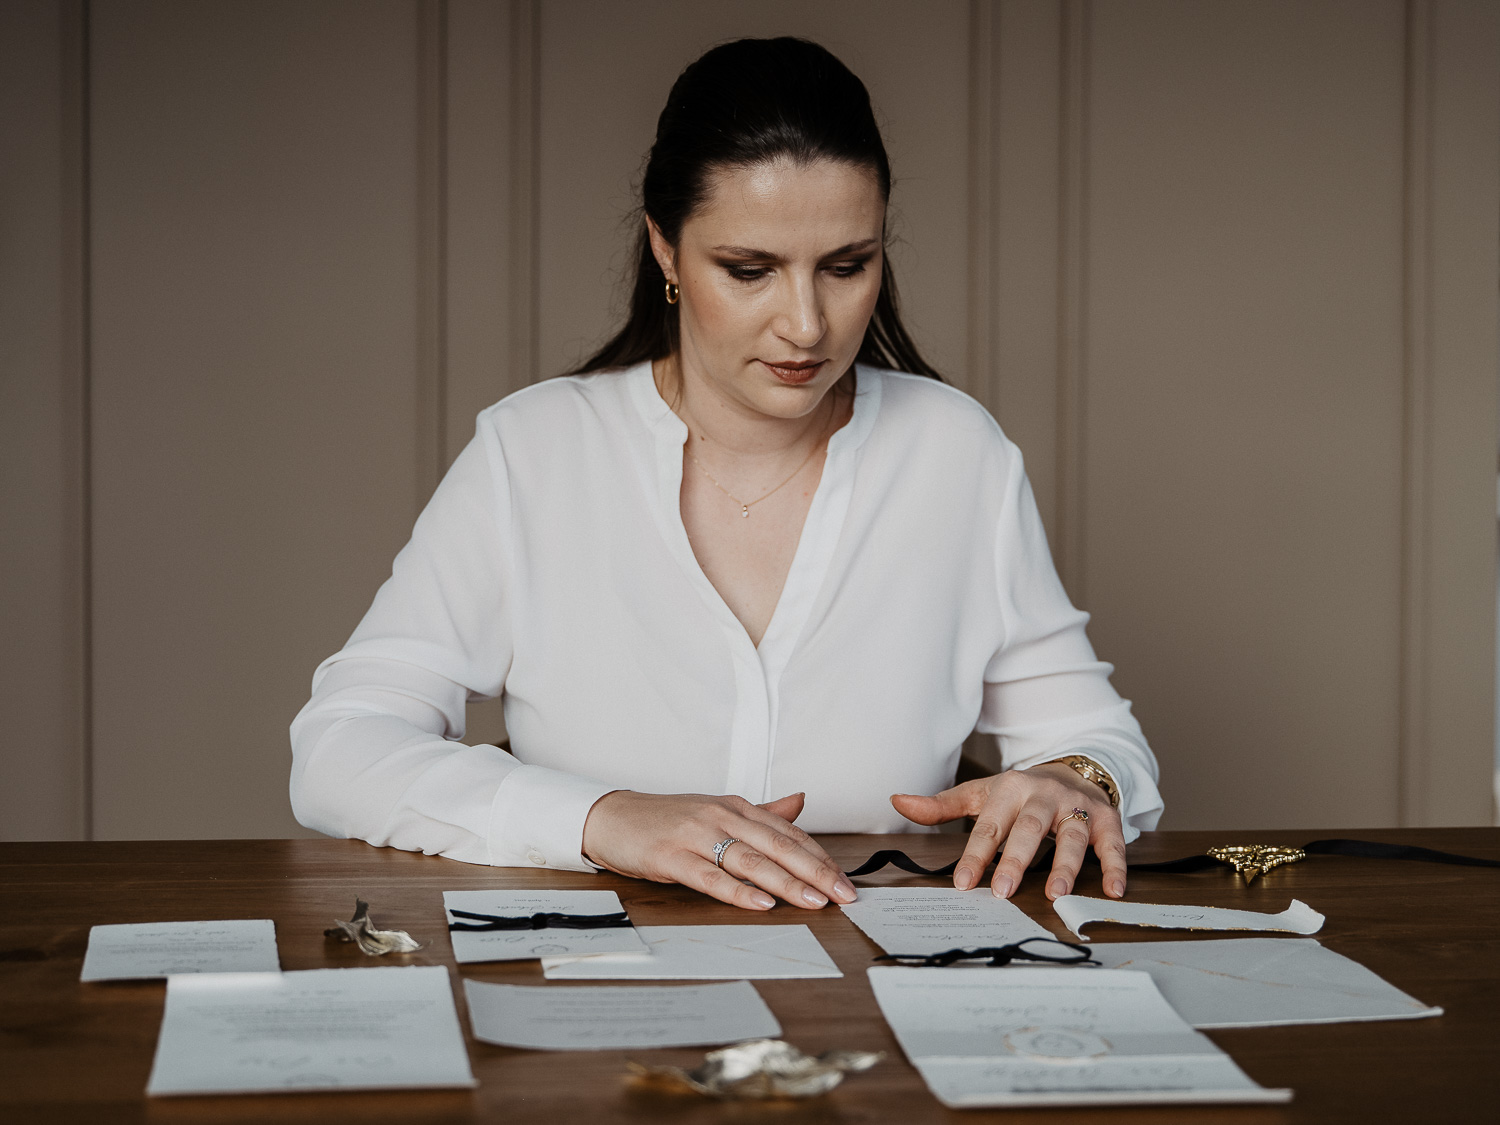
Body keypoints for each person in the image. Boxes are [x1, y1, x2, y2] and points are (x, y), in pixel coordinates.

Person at [290, 37, 1162, 913]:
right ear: (665, 251)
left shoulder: (955, 453)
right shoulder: (536, 450)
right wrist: (602, 816)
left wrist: (1073, 779)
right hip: (600, 993)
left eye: (847, 267)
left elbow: (1098, 740)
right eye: (749, 271)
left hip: (881, 977)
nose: (806, 324)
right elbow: (339, 749)